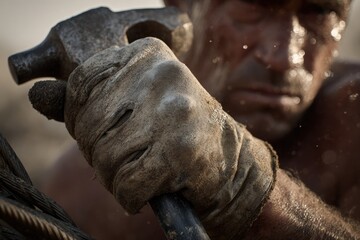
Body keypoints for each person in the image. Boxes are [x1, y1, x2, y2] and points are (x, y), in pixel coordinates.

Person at [39, 0, 360, 239]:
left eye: (319, 12)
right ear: (182, 6)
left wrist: (248, 190)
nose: (283, 58)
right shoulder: (78, 190)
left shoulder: (352, 121)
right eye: (252, 6)